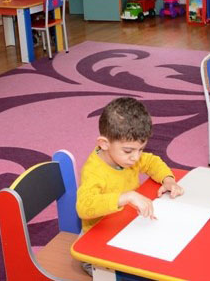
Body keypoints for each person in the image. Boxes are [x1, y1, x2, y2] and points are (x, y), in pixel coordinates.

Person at [76, 97, 183, 232]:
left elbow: (152, 162)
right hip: (99, 232)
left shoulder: (127, 157)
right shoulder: (93, 171)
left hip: (128, 221)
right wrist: (126, 197)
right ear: (104, 144)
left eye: (141, 149)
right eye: (128, 151)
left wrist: (168, 180)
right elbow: (84, 207)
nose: (136, 157)